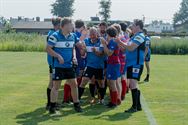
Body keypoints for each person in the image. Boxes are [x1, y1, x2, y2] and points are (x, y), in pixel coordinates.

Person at [46, 17, 83, 114]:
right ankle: (52, 107)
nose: (73, 26)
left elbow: (74, 47)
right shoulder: (55, 35)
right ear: (65, 25)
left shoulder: (73, 36)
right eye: (71, 24)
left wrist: (74, 57)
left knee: (74, 84)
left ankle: (76, 105)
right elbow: (48, 49)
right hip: (58, 66)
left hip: (69, 65)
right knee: (56, 86)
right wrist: (58, 56)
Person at [117, 19, 145, 113]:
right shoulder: (134, 36)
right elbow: (127, 49)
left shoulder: (140, 36)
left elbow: (131, 47)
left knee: (132, 84)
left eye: (133, 25)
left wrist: (120, 42)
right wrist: (119, 44)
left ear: (138, 26)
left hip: (136, 64)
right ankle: (138, 106)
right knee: (134, 84)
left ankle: (134, 107)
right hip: (131, 64)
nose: (131, 27)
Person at [78, 27, 106, 104]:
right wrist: (83, 48)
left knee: (101, 83)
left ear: (97, 34)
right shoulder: (86, 41)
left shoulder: (101, 41)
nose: (92, 36)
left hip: (99, 66)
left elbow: (100, 54)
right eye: (90, 34)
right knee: (84, 81)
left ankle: (101, 99)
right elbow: (82, 54)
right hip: (89, 65)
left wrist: (94, 51)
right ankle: (77, 99)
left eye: (94, 34)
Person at [63, 19, 87, 104]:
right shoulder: (76, 34)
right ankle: (68, 98)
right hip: (76, 59)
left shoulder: (74, 34)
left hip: (77, 59)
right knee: (72, 80)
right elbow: (79, 45)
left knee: (74, 79)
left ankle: (70, 98)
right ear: (83, 27)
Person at [101, 26, 120, 108]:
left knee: (112, 83)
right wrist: (105, 44)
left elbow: (109, 53)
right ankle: (113, 100)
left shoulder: (113, 41)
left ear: (108, 33)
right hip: (111, 64)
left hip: (114, 64)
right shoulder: (111, 41)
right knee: (110, 82)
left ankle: (114, 102)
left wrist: (104, 44)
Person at [45, 17, 61, 110]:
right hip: (53, 62)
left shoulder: (53, 33)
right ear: (58, 25)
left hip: (54, 61)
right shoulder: (52, 34)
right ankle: (49, 104)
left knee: (54, 83)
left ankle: (52, 102)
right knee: (52, 83)